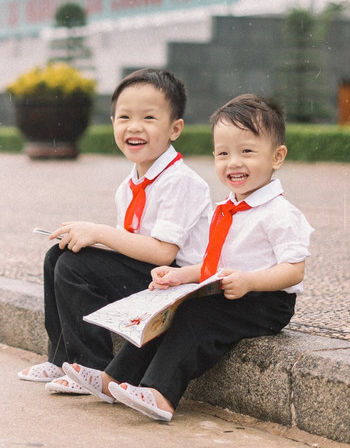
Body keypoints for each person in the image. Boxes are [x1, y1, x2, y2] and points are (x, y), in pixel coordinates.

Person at [62, 93, 311, 421]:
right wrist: (180, 276)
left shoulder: (279, 212)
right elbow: (215, 266)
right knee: (169, 308)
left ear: (277, 156)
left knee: (194, 315)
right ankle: (113, 379)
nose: (233, 163)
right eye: (223, 154)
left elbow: (294, 270)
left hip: (266, 301)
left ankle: (162, 394)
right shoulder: (226, 209)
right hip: (230, 290)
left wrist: (251, 281)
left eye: (247, 152)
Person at [18, 68, 212, 393]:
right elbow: (130, 248)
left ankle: (93, 365)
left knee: (73, 266)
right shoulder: (129, 185)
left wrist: (99, 233)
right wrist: (88, 239)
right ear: (112, 124)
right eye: (124, 117)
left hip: (177, 282)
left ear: (174, 128)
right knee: (60, 255)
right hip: (151, 274)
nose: (134, 127)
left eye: (149, 118)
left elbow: (163, 252)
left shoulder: (182, 182)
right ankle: (60, 357)